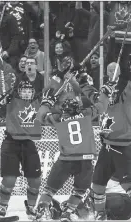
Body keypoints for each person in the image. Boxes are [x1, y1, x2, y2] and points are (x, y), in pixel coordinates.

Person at [34, 72, 112, 222]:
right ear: (78, 107)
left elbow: (41, 117)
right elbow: (101, 107)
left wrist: (46, 103)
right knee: (80, 190)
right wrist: (104, 93)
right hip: (85, 160)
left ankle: (41, 212)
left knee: (49, 190)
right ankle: (67, 213)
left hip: (65, 159)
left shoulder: (57, 118)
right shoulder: (87, 113)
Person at [85, 49, 131, 221]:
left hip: (121, 147)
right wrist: (82, 81)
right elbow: (91, 95)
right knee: (97, 183)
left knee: (128, 184)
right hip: (106, 147)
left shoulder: (125, 98)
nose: (110, 94)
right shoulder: (103, 96)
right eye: (107, 73)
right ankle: (100, 214)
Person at [0, 57, 44, 219]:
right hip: (11, 142)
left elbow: (52, 94)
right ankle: (2, 207)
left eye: (30, 91)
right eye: (24, 90)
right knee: (9, 179)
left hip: (28, 143)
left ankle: (31, 207)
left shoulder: (38, 101)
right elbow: (1, 91)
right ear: (19, 91)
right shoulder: (11, 100)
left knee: (35, 180)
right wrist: (0, 99)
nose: (27, 93)